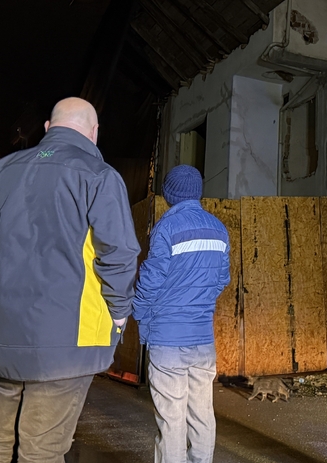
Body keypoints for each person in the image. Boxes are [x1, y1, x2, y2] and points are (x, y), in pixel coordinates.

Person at [0, 97, 141, 463]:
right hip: (67, 342)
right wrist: (119, 311)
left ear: (48, 129)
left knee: (4, 441)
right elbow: (118, 253)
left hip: (0, 334)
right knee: (42, 451)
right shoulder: (99, 177)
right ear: (94, 132)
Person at [133, 165, 230, 463]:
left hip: (168, 341)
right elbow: (221, 280)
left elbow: (151, 280)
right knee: (202, 415)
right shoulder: (219, 228)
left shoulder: (167, 228)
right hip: (203, 341)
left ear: (170, 193)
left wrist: (140, 315)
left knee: (171, 419)